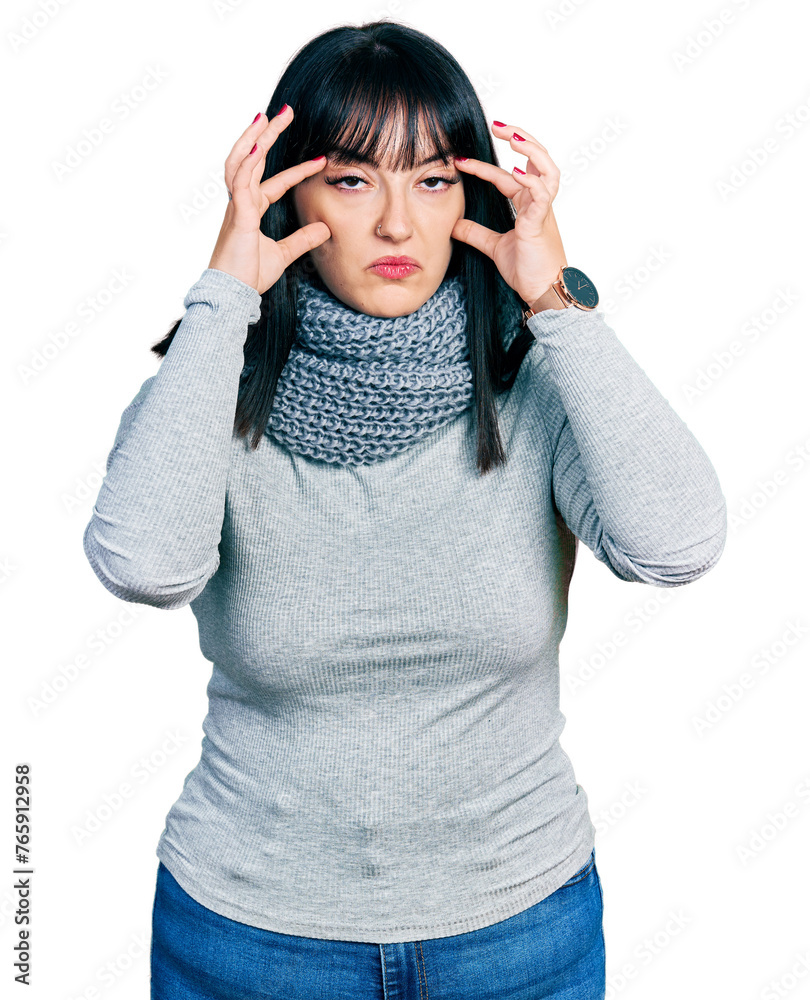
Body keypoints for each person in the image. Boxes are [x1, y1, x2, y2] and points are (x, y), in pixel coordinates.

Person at [81, 19, 727, 1000]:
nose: (396, 224)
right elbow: (142, 565)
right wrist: (223, 297)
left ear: (474, 190)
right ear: (286, 190)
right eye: (350, 179)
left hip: (518, 937)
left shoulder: (534, 374)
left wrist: (553, 301)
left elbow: (679, 546)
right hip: (253, 944)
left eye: (432, 179)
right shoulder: (214, 385)